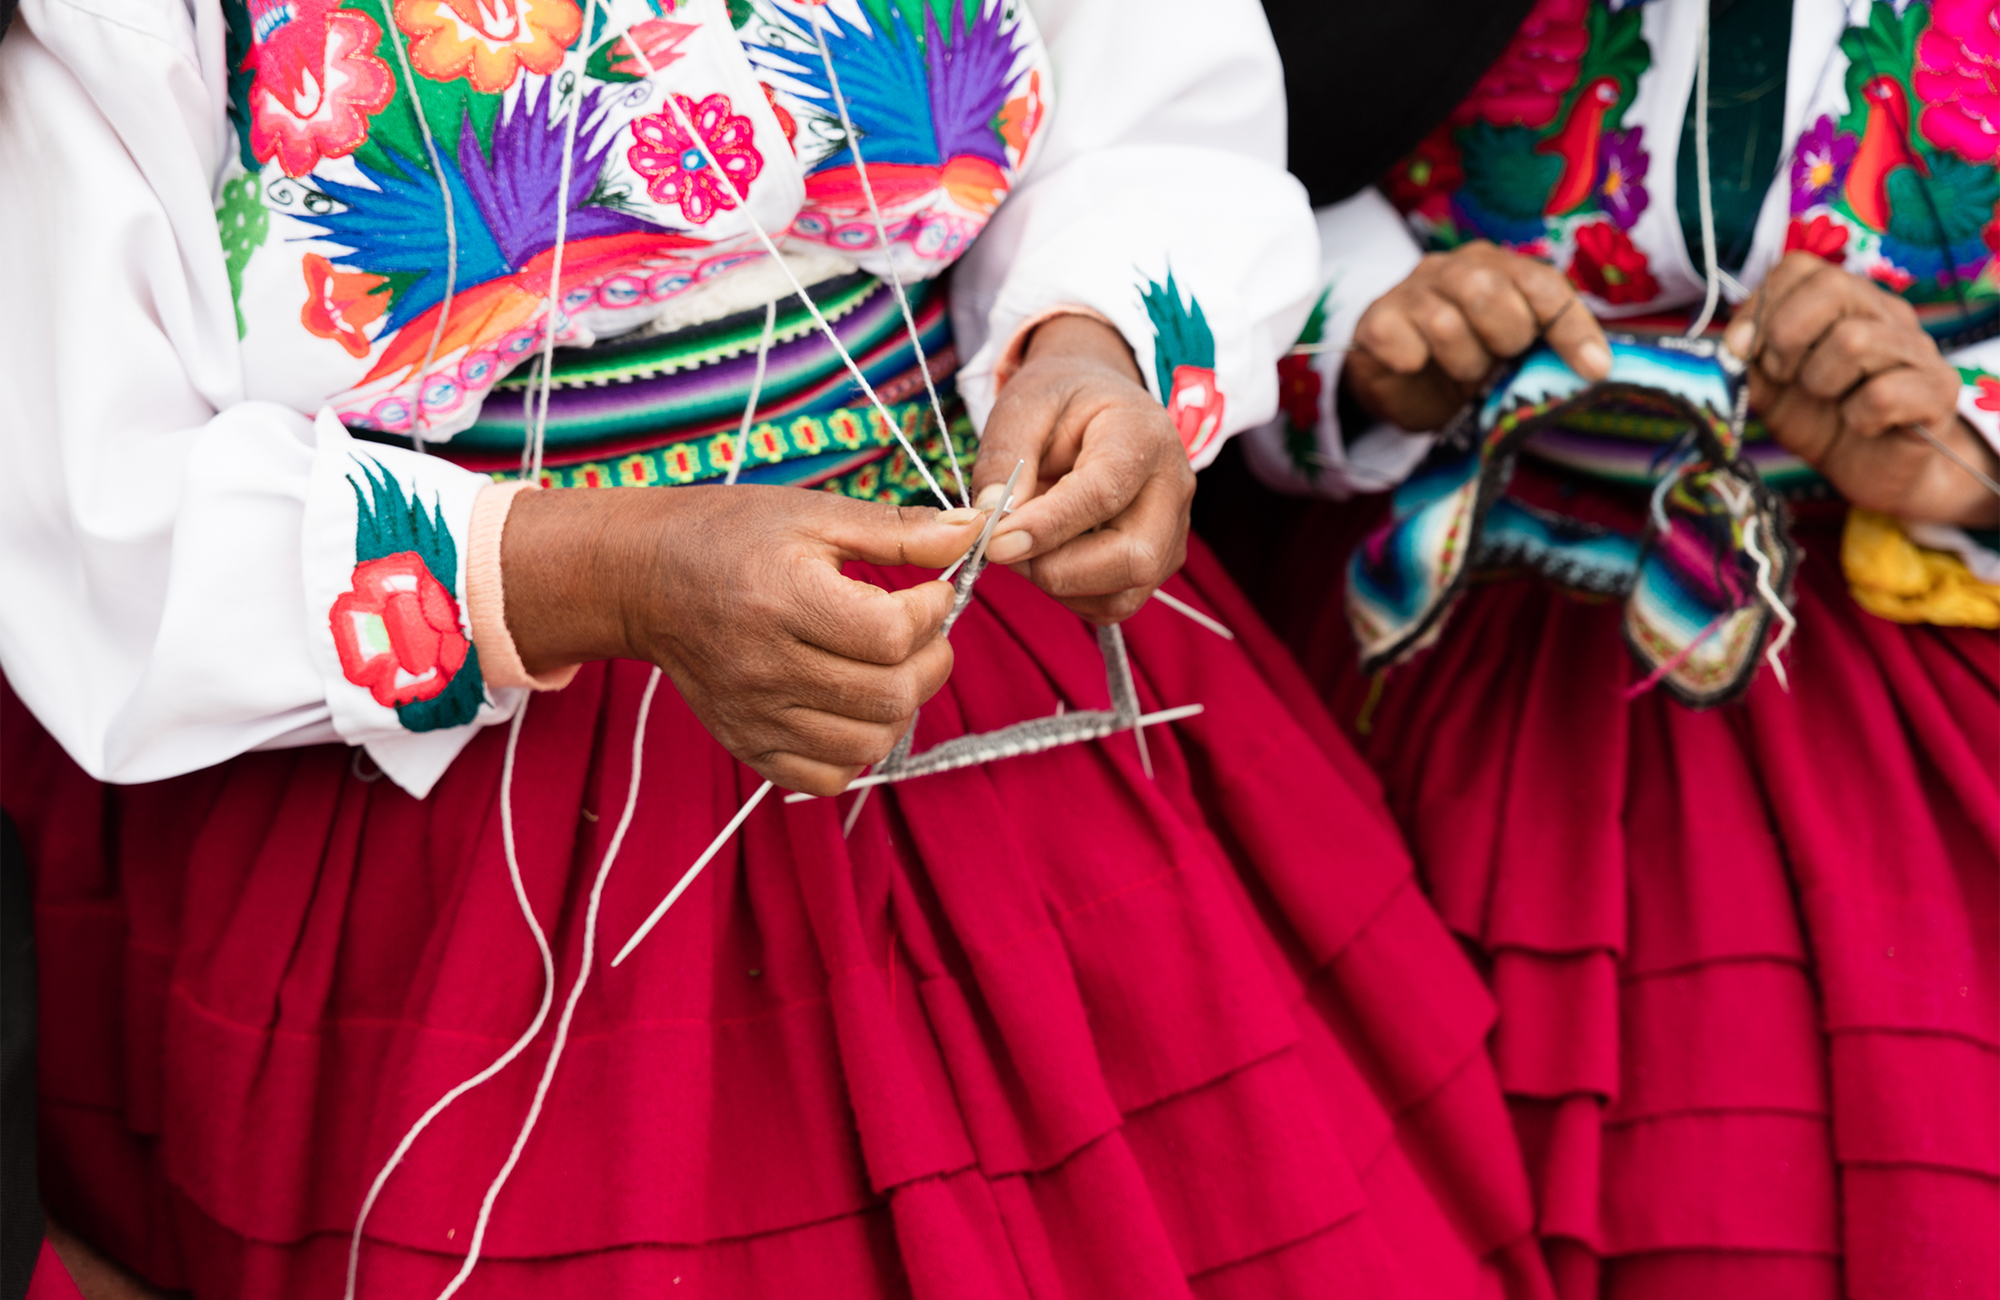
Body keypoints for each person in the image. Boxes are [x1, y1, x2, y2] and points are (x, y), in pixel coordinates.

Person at [0, 0, 1558, 1294]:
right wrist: (613, 573)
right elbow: (94, 488)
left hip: (982, 648)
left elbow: (1142, 100)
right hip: (463, 807)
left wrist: (1091, 349)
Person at [1239, 0, 1999, 1294]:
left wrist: (1963, 442)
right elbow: (1206, 132)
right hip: (1412, 652)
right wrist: (1373, 329)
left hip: (1899, 689)